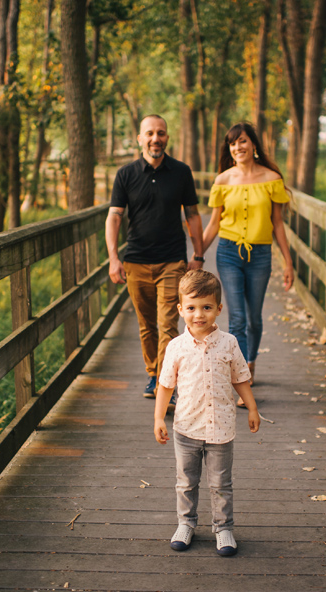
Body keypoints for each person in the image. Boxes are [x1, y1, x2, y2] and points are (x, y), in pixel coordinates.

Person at [153, 269, 259, 556]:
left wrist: (251, 407)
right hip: (186, 427)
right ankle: (185, 524)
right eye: (191, 308)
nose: (198, 314)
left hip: (220, 429)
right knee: (186, 482)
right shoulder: (176, 347)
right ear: (180, 309)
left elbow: (240, 378)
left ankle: (223, 528)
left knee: (221, 484)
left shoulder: (229, 343)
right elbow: (164, 386)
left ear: (219, 309)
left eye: (206, 307)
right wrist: (158, 418)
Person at [106, 115, 205, 400]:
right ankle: (153, 374)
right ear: (140, 139)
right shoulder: (125, 174)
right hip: (135, 261)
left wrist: (198, 254)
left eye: (160, 133)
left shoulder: (181, 172)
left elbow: (193, 214)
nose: (155, 138)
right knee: (146, 324)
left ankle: (166, 382)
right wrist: (114, 257)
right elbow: (114, 217)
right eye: (149, 133)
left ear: (167, 138)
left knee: (167, 324)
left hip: (172, 261)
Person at [202, 122, 294, 393]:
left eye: (242, 141)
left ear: (253, 144)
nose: (238, 147)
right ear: (229, 149)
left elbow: (277, 224)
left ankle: (250, 363)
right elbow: (214, 224)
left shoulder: (271, 179)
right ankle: (241, 377)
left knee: (254, 317)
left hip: (261, 255)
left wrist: (288, 262)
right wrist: (198, 254)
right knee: (238, 318)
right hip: (228, 252)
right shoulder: (222, 181)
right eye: (232, 143)